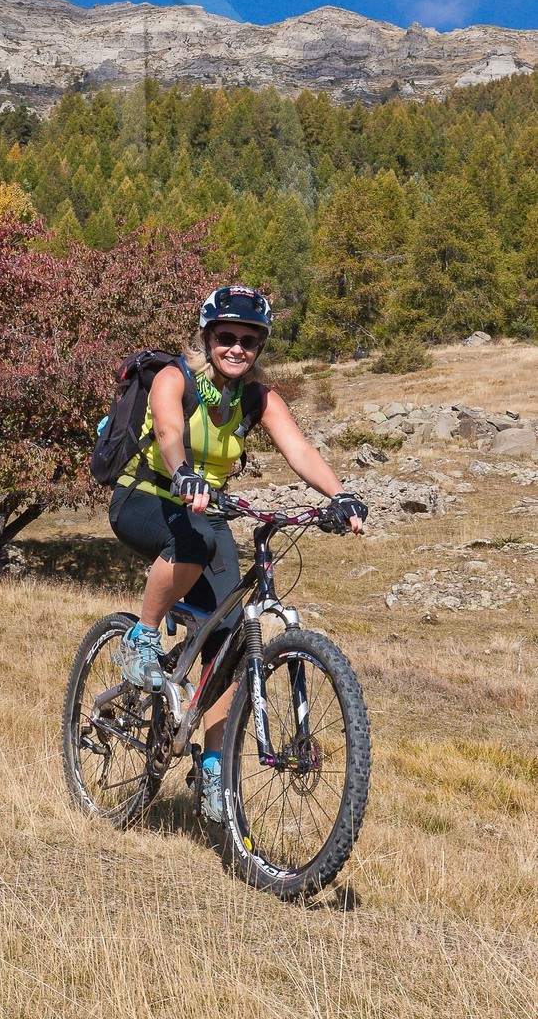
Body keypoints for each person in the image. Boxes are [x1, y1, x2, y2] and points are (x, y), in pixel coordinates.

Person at [108, 285, 366, 823]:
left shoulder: (258, 398)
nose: (236, 348)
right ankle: (142, 638)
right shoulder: (173, 378)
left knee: (226, 640)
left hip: (207, 507)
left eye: (249, 340)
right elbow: (170, 431)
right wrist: (182, 474)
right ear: (207, 336)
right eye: (226, 336)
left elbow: (298, 449)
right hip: (147, 495)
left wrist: (338, 495)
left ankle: (212, 766)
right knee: (197, 542)